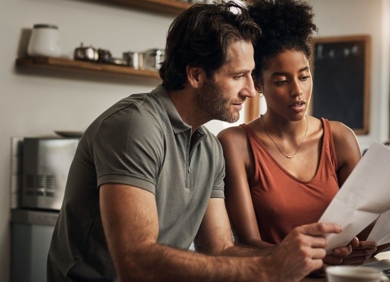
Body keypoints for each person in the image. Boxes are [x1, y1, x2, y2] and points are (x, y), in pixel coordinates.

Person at [46, 3, 348, 282]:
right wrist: (268, 268)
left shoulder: (208, 147)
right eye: (238, 76)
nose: (250, 90)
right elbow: (134, 262)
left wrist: (305, 254)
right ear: (195, 75)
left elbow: (221, 250)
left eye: (251, 75)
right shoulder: (134, 126)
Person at [217, 0, 390, 268]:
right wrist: (317, 258)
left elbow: (366, 238)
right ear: (257, 83)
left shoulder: (339, 138)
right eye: (281, 81)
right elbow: (247, 244)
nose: (297, 91)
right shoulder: (235, 144)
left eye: (304, 77)